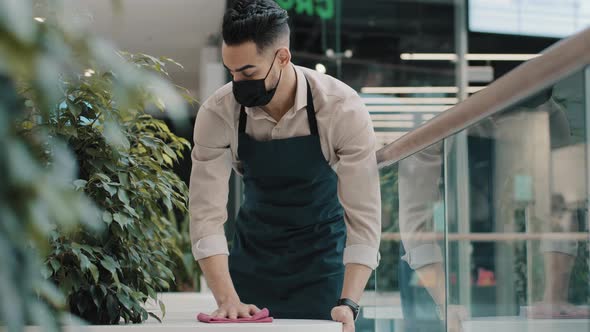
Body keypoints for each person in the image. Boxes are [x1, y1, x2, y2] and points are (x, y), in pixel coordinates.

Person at [188, 1, 381, 330]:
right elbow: (205, 213)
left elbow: (364, 217)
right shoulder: (218, 112)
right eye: (231, 72)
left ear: (282, 57)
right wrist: (227, 299)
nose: (237, 83)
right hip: (253, 263)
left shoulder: (341, 109)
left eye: (248, 72)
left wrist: (349, 302)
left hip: (324, 266)